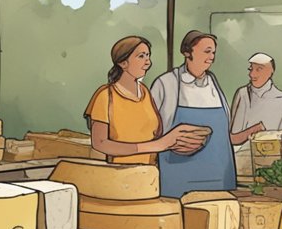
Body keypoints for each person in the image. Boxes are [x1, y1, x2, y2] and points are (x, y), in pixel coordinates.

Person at [150, 30, 255, 197]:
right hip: (179, 173)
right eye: (207, 51)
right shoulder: (166, 83)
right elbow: (152, 129)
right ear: (187, 52)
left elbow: (224, 132)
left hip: (218, 174)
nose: (212, 56)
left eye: (213, 52)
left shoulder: (213, 82)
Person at [85, 36, 203, 164]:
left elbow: (157, 136)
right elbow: (100, 143)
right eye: (141, 56)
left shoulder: (145, 92)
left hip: (149, 173)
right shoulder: (106, 95)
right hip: (118, 175)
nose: (148, 62)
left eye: (148, 56)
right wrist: (156, 145)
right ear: (123, 63)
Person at [229, 52, 282, 136]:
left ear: (271, 71)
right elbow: (233, 137)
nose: (252, 74)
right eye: (251, 69)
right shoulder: (243, 94)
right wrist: (255, 129)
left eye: (259, 69)